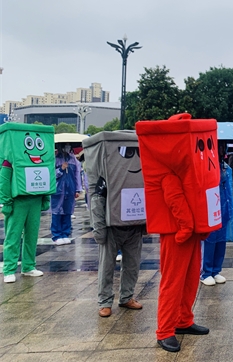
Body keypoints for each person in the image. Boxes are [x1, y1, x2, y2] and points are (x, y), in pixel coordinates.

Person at [136, 114, 219, 353]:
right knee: (173, 282)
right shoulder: (167, 170)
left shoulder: (189, 169)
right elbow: (174, 200)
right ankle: (165, 330)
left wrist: (201, 227)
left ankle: (183, 319)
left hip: (191, 232)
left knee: (191, 277)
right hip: (176, 234)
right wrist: (187, 227)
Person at [84, 131, 146, 318]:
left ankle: (127, 296)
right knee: (106, 267)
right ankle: (105, 301)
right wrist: (99, 228)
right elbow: (97, 200)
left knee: (132, 265)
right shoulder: (107, 176)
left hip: (134, 226)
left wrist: (147, 224)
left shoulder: (143, 174)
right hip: (112, 228)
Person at [0, 123, 54, 283]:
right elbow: (4, 181)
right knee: (13, 235)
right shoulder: (10, 160)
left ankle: (28, 266)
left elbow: (47, 178)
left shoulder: (44, 160)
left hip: (35, 200)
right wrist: (6, 202)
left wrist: (46, 198)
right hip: (17, 201)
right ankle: (9, 269)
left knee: (32, 235)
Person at [201, 142, 233, 286]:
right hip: (211, 209)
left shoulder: (225, 167)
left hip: (224, 208)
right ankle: (206, 272)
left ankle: (216, 270)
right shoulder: (206, 166)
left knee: (221, 240)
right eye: (220, 147)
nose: (223, 150)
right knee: (210, 240)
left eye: (224, 147)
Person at [51, 143, 82, 245]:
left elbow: (77, 175)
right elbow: (50, 175)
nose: (67, 148)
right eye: (65, 145)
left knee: (68, 212)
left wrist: (77, 189)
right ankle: (56, 235)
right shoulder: (55, 159)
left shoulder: (73, 160)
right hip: (58, 190)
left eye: (69, 146)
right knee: (57, 212)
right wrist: (61, 169)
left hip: (70, 190)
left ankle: (65, 234)